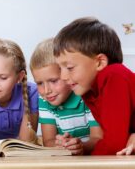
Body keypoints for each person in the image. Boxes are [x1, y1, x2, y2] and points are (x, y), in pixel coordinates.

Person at [53, 17, 135, 155]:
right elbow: (119, 140)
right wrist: (81, 149)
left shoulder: (114, 75)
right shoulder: (89, 91)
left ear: (99, 62)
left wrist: (86, 159)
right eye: (60, 69)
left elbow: (115, 144)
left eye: (69, 67)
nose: (63, 77)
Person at [30, 38, 102, 155]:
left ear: (67, 73)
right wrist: (60, 144)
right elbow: (48, 141)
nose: (47, 90)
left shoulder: (86, 95)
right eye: (39, 83)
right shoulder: (44, 100)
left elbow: (98, 138)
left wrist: (81, 146)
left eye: (53, 81)